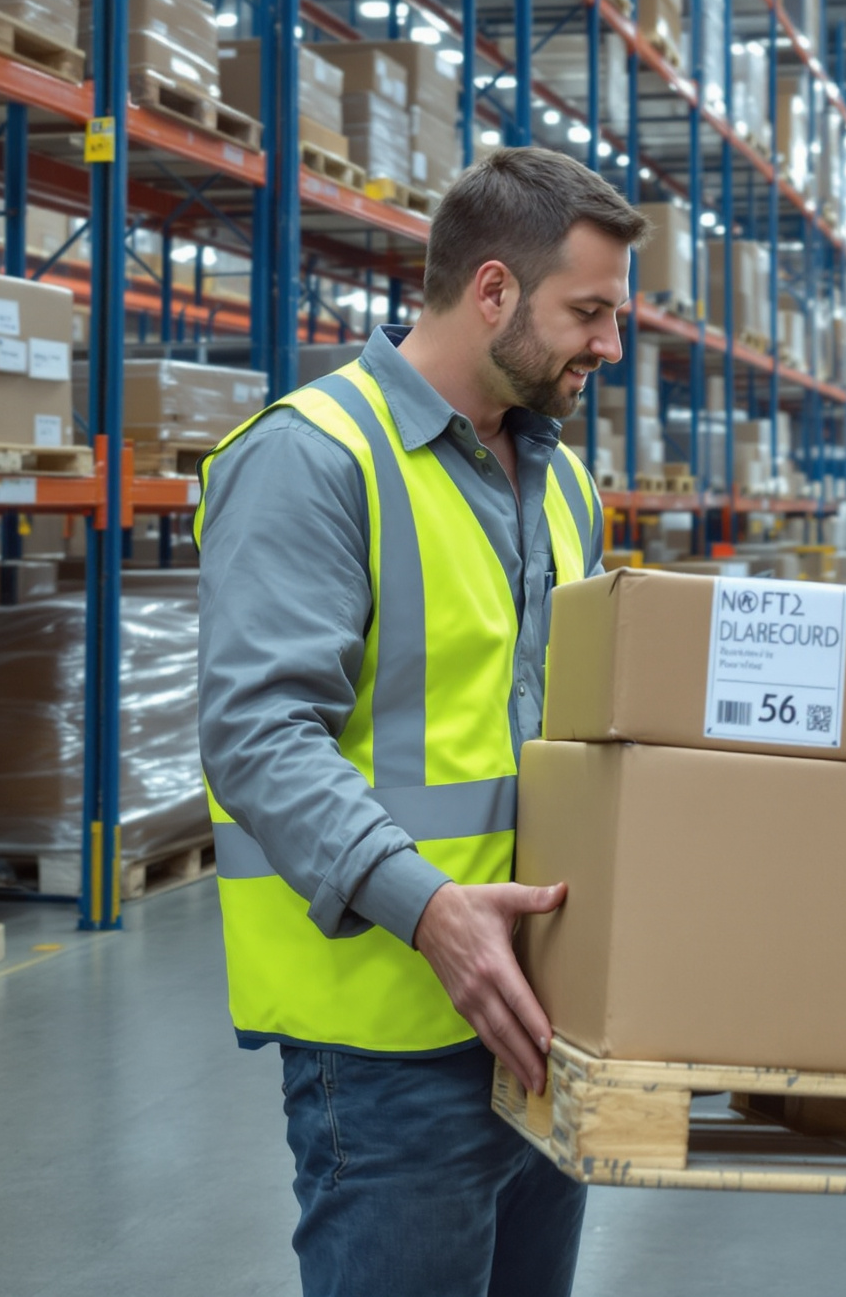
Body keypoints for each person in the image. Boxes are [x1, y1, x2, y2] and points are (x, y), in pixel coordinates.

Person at [195, 146, 648, 1297]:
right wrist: (432, 910)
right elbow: (258, 734)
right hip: (389, 1036)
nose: (610, 344)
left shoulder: (561, 483)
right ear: (491, 290)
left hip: (539, 1017)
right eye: (587, 312)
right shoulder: (312, 457)